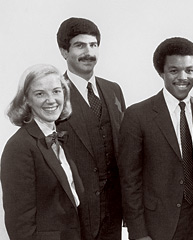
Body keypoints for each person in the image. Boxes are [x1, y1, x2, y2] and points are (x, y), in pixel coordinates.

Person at [118, 37, 193, 240]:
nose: (183, 77)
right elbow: (130, 181)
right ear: (161, 72)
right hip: (157, 226)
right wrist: (138, 233)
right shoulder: (137, 115)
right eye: (174, 70)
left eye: (190, 70)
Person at [55, 17, 126, 240]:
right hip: (75, 216)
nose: (89, 52)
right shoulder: (54, 94)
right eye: (80, 45)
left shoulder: (113, 90)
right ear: (64, 51)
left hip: (114, 213)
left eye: (93, 45)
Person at [1, 64, 84, 240]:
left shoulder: (59, 136)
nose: (51, 100)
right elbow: (20, 226)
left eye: (56, 91)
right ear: (27, 100)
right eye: (40, 94)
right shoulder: (19, 147)